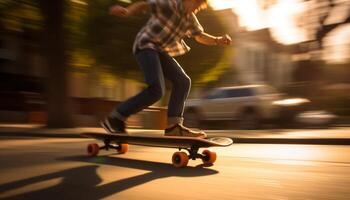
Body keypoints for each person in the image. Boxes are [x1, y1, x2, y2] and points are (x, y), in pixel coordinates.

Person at [102, 0, 232, 138]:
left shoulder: (190, 19)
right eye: (196, 5)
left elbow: (200, 36)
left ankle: (173, 127)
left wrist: (218, 40)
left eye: (199, 8)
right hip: (145, 45)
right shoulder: (170, 4)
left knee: (183, 81)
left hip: (160, 51)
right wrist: (127, 11)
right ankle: (115, 118)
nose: (196, 9)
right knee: (156, 91)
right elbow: (144, 5)